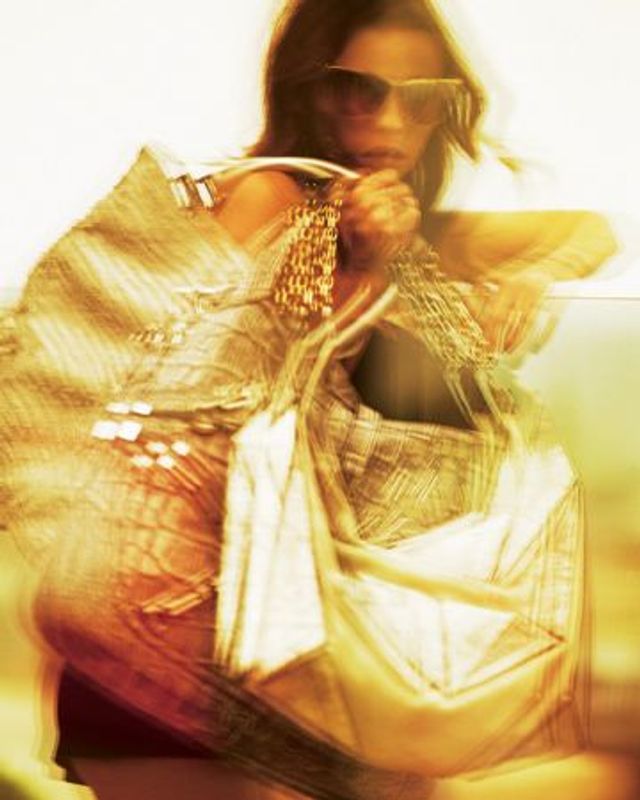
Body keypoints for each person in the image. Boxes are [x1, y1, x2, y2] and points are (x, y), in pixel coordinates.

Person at [0, 1, 617, 799]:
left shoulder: (411, 231)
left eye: (421, 97)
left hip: (296, 665)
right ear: (309, 91)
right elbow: (239, 387)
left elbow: (590, 231)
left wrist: (525, 272)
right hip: (197, 674)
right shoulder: (274, 201)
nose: (389, 120)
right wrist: (366, 258)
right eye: (359, 90)